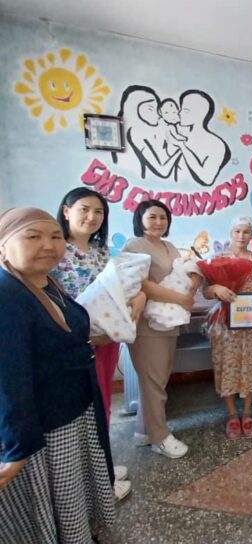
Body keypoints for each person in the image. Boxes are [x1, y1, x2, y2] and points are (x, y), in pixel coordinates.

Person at [0, 207, 115, 543]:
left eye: (54, 236)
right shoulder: (6, 294)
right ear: (3, 244)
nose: (48, 245)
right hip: (46, 426)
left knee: (74, 492)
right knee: (55, 501)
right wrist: (17, 448)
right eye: (33, 237)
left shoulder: (45, 283)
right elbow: (9, 379)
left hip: (73, 410)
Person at [51, 187, 144, 501]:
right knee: (81, 409)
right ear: (66, 211)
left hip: (106, 339)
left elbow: (118, 289)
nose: (92, 217)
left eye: (99, 212)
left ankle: (101, 465)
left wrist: (137, 299)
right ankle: (91, 481)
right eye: (84, 209)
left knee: (103, 401)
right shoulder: (54, 250)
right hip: (71, 342)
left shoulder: (101, 252)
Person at [122, 200, 201, 459]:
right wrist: (181, 299)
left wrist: (193, 280)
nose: (158, 222)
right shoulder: (134, 247)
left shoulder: (169, 247)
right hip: (146, 324)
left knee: (156, 381)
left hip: (169, 321)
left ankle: (143, 431)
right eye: (152, 217)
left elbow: (184, 271)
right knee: (154, 383)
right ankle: (160, 438)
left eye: (163, 217)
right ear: (140, 219)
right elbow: (141, 284)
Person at [203, 217, 252, 440]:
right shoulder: (218, 259)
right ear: (231, 233)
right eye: (237, 231)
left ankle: (248, 413)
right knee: (227, 366)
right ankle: (232, 415)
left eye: (246, 232)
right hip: (225, 325)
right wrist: (217, 288)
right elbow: (205, 292)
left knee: (251, 366)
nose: (241, 236)